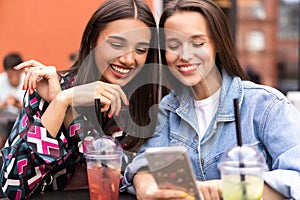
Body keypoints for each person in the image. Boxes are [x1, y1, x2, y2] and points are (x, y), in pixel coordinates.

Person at [122, 0, 300, 199]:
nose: (185, 55)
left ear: (218, 43)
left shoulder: (266, 106)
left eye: (197, 43)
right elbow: (147, 162)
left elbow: (297, 176)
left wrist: (232, 188)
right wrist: (146, 187)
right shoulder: (167, 110)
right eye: (173, 45)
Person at [0, 0, 164, 199]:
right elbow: (12, 187)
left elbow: (117, 174)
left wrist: (71, 116)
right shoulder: (50, 86)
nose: (129, 59)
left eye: (140, 49)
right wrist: (60, 102)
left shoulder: (147, 101)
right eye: (117, 44)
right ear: (92, 39)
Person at [0, 53, 25, 148]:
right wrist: (5, 104)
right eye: (10, 75)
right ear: (6, 72)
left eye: (17, 74)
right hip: (2, 120)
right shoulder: (1, 80)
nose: (14, 78)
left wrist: (20, 106)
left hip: (21, 120)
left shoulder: (28, 80)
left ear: (21, 71)